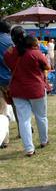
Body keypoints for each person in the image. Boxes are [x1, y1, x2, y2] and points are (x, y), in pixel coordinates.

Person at [4, 31, 50, 157]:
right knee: (41, 116)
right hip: (36, 89)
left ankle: (29, 149)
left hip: (18, 90)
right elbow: (46, 67)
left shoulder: (10, 53)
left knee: (24, 120)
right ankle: (44, 140)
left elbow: (8, 63)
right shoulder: (35, 53)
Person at [0, 19, 14, 149]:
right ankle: (24, 132)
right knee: (19, 107)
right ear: (9, 30)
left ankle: (4, 140)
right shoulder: (12, 42)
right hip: (12, 79)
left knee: (1, 111)